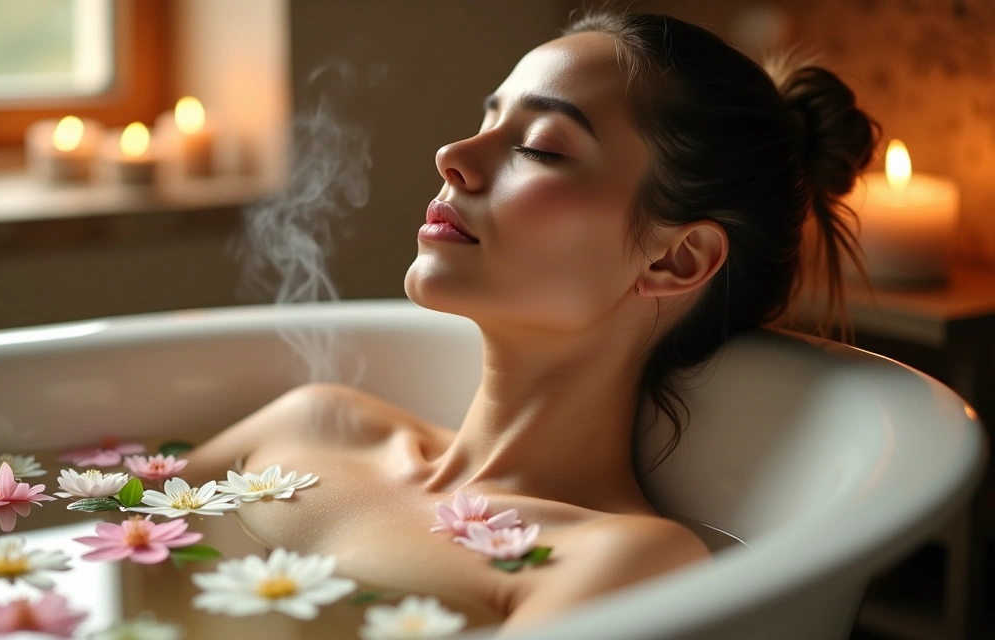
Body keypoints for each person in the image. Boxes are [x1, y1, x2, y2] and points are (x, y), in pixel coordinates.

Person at [179, 9, 878, 634]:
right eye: (488, 119)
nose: (452, 157)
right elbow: (123, 522)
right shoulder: (314, 423)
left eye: (541, 146)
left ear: (676, 258)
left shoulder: (618, 560)